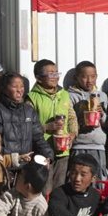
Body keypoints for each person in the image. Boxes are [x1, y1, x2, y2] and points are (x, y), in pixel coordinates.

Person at [0, 73, 53, 180]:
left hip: (26, 167)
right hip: (5, 167)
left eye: (22, 86)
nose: (19, 90)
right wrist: (10, 159)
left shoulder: (29, 110)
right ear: (4, 89)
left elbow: (38, 137)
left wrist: (47, 155)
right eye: (15, 86)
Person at [28, 59, 78, 191]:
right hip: (42, 150)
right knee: (44, 188)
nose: (55, 77)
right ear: (38, 78)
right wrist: (46, 127)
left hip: (63, 150)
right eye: (51, 74)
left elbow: (71, 117)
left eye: (56, 73)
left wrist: (73, 134)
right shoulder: (32, 97)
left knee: (59, 188)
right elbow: (27, 125)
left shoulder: (64, 94)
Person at [67, 61, 108, 180]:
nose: (89, 80)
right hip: (79, 145)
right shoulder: (70, 96)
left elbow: (107, 123)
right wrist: (82, 123)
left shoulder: (102, 96)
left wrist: (102, 114)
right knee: (78, 179)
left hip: (99, 146)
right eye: (84, 77)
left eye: (93, 76)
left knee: (98, 180)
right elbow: (69, 121)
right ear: (76, 77)